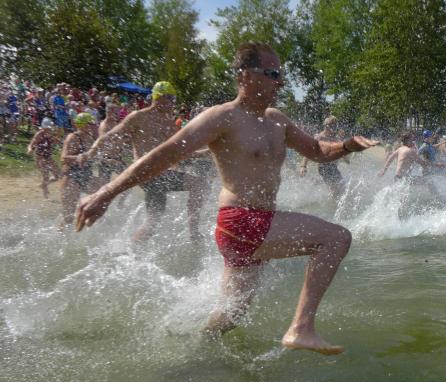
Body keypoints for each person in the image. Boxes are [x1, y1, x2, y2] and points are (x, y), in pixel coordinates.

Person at [74, 42, 379, 355]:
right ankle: (301, 328)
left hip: (250, 228)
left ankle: (194, 357)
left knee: (232, 316)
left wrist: (347, 146)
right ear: (245, 75)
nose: (280, 83)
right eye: (272, 74)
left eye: (280, 75)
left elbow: (316, 151)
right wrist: (107, 192)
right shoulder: (222, 117)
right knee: (336, 238)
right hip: (242, 221)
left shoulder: (277, 119)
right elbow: (166, 153)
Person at [78, 81, 207, 244]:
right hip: (145, 172)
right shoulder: (139, 117)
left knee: (153, 221)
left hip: (158, 174)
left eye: (174, 99)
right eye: (170, 98)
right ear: (158, 98)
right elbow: (110, 136)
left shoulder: (168, 123)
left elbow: (183, 151)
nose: (173, 103)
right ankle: (194, 232)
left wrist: (207, 153)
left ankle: (132, 248)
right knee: (197, 183)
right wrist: (91, 152)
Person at [60, 112, 100, 226]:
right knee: (68, 217)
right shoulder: (73, 137)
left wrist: (105, 162)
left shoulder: (90, 138)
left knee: (99, 200)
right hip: (71, 176)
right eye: (91, 123)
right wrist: (78, 157)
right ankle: (61, 234)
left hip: (87, 175)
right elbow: (63, 158)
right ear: (83, 125)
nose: (94, 125)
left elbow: (93, 158)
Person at [298, 115, 348, 200]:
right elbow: (309, 152)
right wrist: (303, 166)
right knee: (335, 189)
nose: (333, 128)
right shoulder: (319, 137)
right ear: (326, 126)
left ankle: (331, 200)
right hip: (324, 168)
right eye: (332, 126)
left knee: (342, 186)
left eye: (335, 126)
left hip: (333, 167)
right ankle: (332, 203)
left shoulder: (335, 138)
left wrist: (345, 157)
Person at [378, 131, 442, 180]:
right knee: (427, 181)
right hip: (403, 179)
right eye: (412, 140)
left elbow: (390, 158)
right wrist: (437, 165)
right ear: (407, 141)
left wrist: (384, 170)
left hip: (397, 177)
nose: (413, 142)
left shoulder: (400, 149)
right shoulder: (410, 151)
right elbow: (423, 163)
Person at [27, 118, 61, 198]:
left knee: (57, 175)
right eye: (48, 127)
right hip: (40, 157)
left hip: (48, 156)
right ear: (44, 127)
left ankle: (43, 185)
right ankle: (45, 196)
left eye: (50, 127)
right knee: (46, 175)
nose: (50, 128)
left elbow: (54, 141)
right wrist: (30, 149)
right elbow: (31, 143)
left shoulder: (50, 134)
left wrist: (58, 141)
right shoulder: (39, 134)